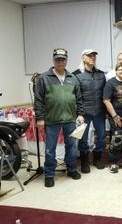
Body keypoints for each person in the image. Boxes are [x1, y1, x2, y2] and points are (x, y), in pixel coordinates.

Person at [34, 48, 84, 188]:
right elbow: (38, 100)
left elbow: (79, 98)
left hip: (70, 119)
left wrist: (80, 114)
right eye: (57, 59)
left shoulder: (73, 78)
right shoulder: (44, 78)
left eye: (63, 59)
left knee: (72, 147)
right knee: (50, 149)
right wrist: (40, 118)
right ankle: (49, 174)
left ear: (67, 60)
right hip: (51, 120)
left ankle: (72, 169)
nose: (60, 62)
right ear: (53, 60)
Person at [73, 49, 106, 173]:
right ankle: (85, 163)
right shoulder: (76, 75)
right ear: (83, 58)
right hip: (83, 113)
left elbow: (105, 94)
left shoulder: (101, 74)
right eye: (89, 56)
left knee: (102, 136)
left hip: (99, 112)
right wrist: (78, 113)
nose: (92, 57)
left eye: (94, 56)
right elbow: (75, 96)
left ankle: (97, 159)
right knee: (83, 138)